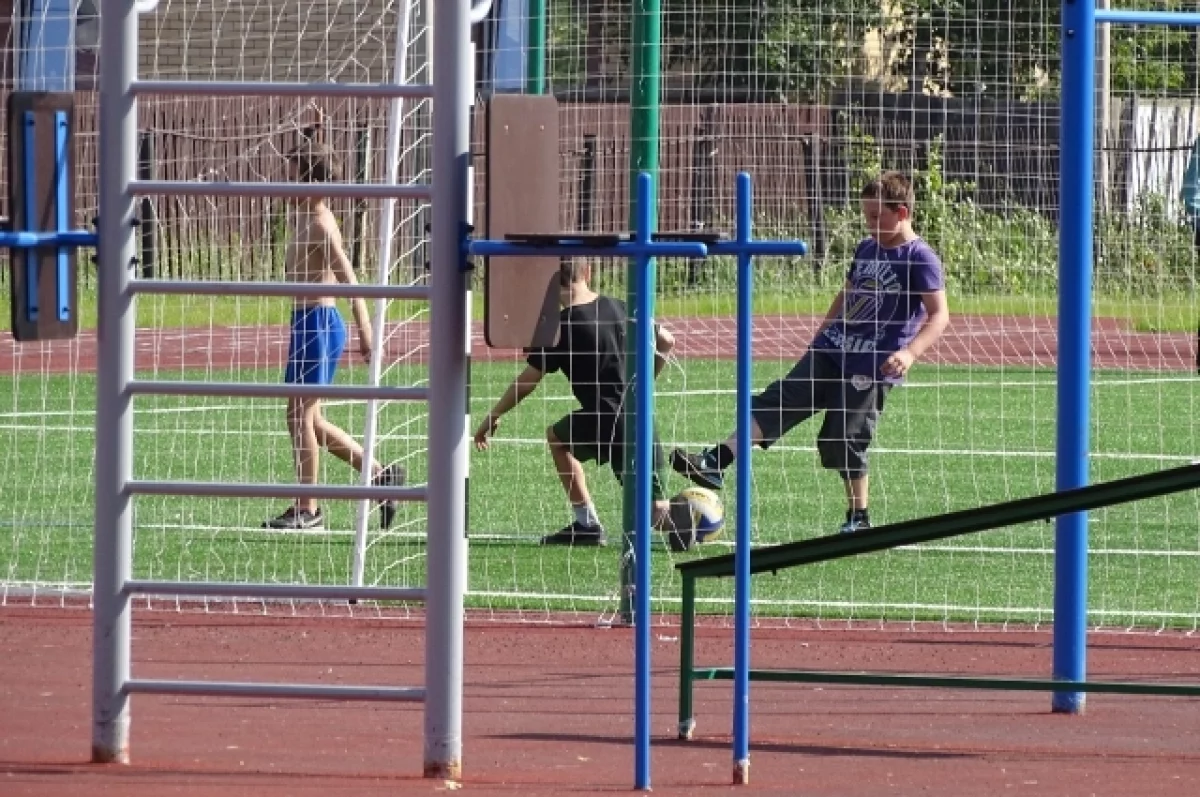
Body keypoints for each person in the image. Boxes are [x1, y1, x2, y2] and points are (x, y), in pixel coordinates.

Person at [670, 170, 950, 534]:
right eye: (866, 216)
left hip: (870, 363)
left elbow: (939, 315)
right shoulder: (867, 248)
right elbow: (848, 293)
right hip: (832, 349)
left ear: (902, 213)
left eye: (875, 216)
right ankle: (716, 461)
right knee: (779, 400)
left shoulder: (920, 257)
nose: (869, 224)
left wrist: (910, 353)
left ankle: (859, 517)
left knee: (843, 437)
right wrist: (822, 333)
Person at [473, 260, 676, 547]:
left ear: (549, 283)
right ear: (587, 272)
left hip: (604, 418)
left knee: (556, 438)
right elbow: (667, 341)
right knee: (656, 512)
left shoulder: (561, 327)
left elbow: (529, 380)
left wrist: (494, 413)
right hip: (641, 415)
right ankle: (701, 517)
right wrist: (644, 385)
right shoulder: (621, 307)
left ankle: (587, 523)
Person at [263, 137, 404, 531]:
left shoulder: (321, 225)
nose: (285, 185)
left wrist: (366, 330)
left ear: (314, 185)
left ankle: (308, 510)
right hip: (305, 323)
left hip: (319, 325)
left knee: (299, 416)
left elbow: (349, 279)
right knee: (310, 419)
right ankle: (381, 476)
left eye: (292, 178)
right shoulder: (303, 216)